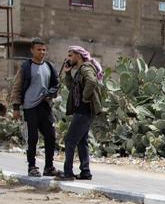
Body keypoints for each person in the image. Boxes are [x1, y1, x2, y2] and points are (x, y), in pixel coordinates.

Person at [10, 38, 61, 177]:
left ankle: (49, 167)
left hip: (45, 107)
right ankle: (32, 167)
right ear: (32, 50)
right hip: (30, 108)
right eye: (39, 49)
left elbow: (56, 85)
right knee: (32, 138)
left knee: (51, 137)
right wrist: (16, 108)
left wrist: (51, 94)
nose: (42, 52)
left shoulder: (49, 66)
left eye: (44, 50)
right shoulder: (26, 67)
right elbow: (17, 87)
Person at [56, 45, 103, 181]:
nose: (69, 58)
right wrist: (67, 73)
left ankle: (68, 173)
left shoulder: (86, 68)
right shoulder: (79, 70)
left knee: (70, 140)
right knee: (82, 141)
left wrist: (85, 97)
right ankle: (85, 172)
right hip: (81, 110)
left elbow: (92, 81)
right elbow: (72, 88)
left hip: (84, 110)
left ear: (78, 55)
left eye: (71, 55)